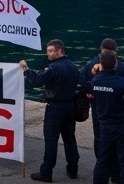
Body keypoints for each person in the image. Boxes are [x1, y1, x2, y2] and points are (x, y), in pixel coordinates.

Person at [20, 39, 81, 181]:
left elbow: (37, 79)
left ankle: (46, 172)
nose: (49, 54)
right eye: (48, 51)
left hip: (55, 108)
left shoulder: (53, 69)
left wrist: (26, 69)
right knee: (70, 138)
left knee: (51, 140)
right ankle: (73, 169)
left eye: (52, 51)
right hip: (70, 107)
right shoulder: (73, 66)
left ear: (60, 51)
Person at [91, 50, 124, 184]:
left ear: (100, 64)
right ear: (115, 64)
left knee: (102, 161)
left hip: (104, 126)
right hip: (122, 125)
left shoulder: (95, 81)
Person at [85, 38, 124, 178]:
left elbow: (87, 86)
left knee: (101, 147)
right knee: (123, 154)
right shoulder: (123, 69)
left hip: (100, 112)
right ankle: (116, 173)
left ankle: (107, 171)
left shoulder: (92, 69)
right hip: (119, 115)